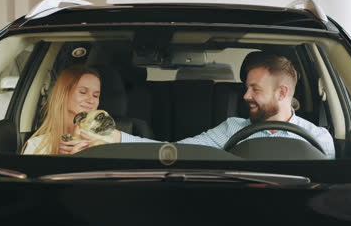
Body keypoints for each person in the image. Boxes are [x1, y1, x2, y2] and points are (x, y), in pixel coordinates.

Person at [110, 52, 335, 159]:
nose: (245, 95)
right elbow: (177, 150)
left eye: (255, 89)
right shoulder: (232, 128)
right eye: (246, 87)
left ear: (282, 93)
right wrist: (117, 138)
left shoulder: (318, 138)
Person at [22, 65, 101, 155]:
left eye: (96, 95)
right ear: (64, 94)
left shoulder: (106, 143)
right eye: (83, 92)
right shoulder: (37, 145)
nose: (91, 100)